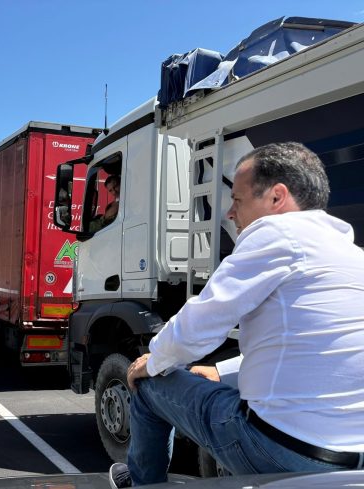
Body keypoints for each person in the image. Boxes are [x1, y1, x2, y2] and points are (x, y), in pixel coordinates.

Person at [108, 142, 364, 488]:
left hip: (284, 455)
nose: (230, 212)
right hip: (352, 460)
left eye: (238, 199)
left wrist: (152, 360)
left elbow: (197, 326)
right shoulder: (350, 254)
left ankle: (142, 483)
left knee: (149, 383)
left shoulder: (277, 233)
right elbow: (311, 353)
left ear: (277, 197)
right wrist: (220, 371)